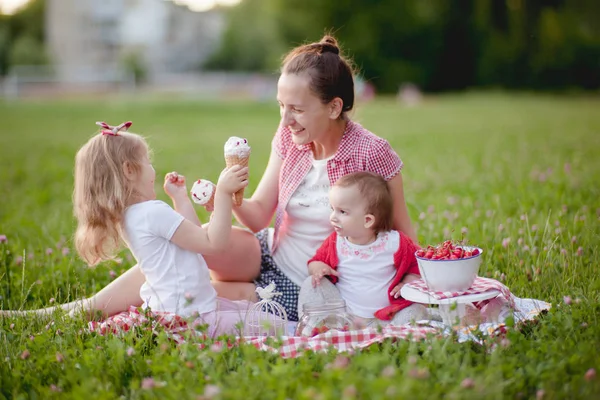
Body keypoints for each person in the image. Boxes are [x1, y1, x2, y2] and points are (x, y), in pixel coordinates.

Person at [6, 35, 418, 323]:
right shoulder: (290, 140)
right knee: (189, 242)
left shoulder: (372, 154)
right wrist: (229, 198)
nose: (285, 119)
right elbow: (258, 218)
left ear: (334, 107)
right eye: (280, 106)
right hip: (270, 252)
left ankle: (157, 305)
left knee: (197, 295)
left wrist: (417, 289)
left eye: (296, 108)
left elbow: (402, 234)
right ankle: (80, 309)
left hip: (311, 282)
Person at [25, 121, 269, 337]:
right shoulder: (152, 212)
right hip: (194, 319)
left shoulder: (131, 217)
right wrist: (224, 195)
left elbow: (193, 240)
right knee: (274, 325)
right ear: (129, 170)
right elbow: (213, 244)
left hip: (180, 311)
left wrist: (180, 199)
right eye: (148, 162)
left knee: (248, 311)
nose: (153, 170)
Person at [297, 172, 427, 326]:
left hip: (385, 319)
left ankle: (392, 337)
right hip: (344, 318)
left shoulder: (395, 242)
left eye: (342, 212)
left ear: (367, 220)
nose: (333, 217)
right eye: (333, 209)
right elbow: (315, 261)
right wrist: (319, 268)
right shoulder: (335, 242)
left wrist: (408, 281)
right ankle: (314, 327)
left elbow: (418, 263)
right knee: (311, 284)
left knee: (416, 310)